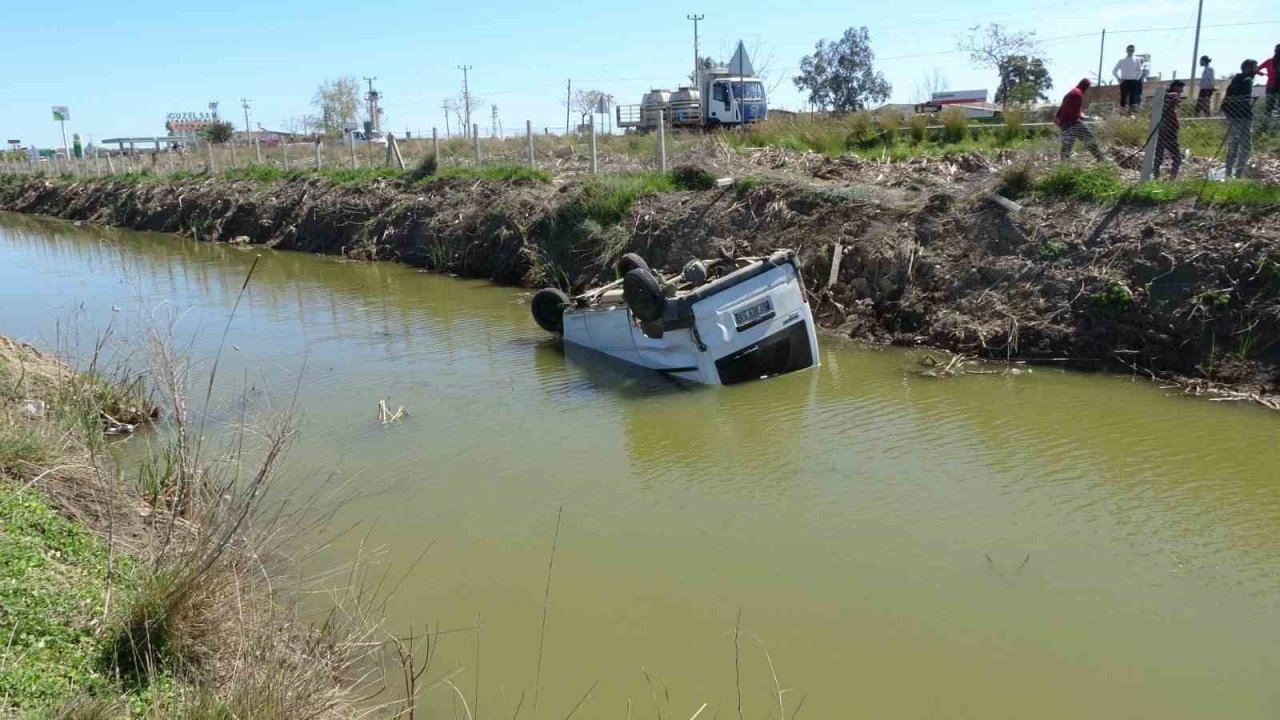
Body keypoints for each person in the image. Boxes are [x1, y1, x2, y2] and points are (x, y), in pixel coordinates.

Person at [1223, 60, 1259, 178]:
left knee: (1233, 144)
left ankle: (1228, 173)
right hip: (1242, 117)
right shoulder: (1247, 80)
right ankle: (1238, 174)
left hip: (1232, 116)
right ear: (1248, 68)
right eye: (1255, 67)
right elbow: (1243, 99)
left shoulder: (1236, 79)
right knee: (1245, 146)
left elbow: (1228, 100)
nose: (1256, 69)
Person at [1056, 79, 1106, 162]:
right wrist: (1088, 118)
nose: (1088, 90)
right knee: (1089, 139)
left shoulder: (1071, 93)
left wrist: (1059, 119)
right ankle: (1101, 159)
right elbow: (1074, 113)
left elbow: (1064, 109)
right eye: (1088, 88)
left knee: (1066, 146)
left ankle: (1063, 165)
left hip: (1065, 123)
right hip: (1073, 123)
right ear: (1085, 86)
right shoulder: (1077, 94)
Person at [1153, 80, 1184, 180]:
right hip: (1168, 131)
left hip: (1162, 131)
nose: (1181, 91)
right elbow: (1168, 97)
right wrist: (1172, 96)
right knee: (1176, 158)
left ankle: (1157, 177)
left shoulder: (1165, 97)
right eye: (1180, 88)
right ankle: (1171, 179)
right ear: (1175, 87)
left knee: (1159, 157)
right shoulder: (1170, 96)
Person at [1113, 45, 1145, 112]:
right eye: (1129, 50)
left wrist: (1136, 78)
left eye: (1132, 50)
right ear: (1126, 50)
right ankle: (1122, 111)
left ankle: (1131, 112)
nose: (1130, 51)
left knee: (1132, 97)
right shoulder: (1122, 61)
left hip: (1133, 81)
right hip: (1124, 81)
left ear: (1133, 51)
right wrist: (1119, 79)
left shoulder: (1137, 60)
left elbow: (1140, 70)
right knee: (1123, 97)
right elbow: (1114, 71)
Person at [1257, 44, 1280, 127]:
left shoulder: (1269, 61)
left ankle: (1269, 126)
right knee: (1270, 107)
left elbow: (1256, 69)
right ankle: (1268, 125)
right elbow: (1256, 69)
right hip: (1272, 86)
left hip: (1271, 86)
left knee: (1269, 107)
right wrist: (1263, 74)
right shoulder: (1269, 61)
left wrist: (1264, 74)